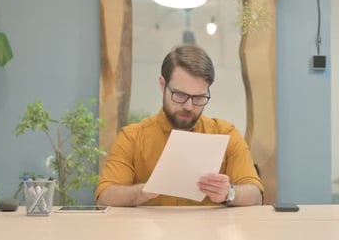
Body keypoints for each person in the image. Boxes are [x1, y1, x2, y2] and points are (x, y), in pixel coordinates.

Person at [96, 44, 264, 206]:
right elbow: (104, 199)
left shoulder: (225, 134)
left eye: (199, 97)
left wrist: (229, 193)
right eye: (180, 95)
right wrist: (145, 191)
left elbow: (255, 195)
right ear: (163, 85)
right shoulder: (132, 137)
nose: (189, 106)